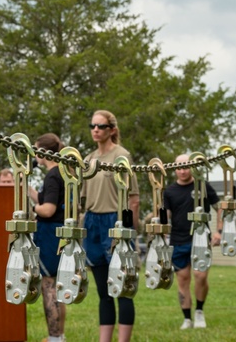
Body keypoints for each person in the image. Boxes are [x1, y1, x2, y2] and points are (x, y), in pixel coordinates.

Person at [80, 110, 139, 342]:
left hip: (116, 221)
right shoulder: (88, 159)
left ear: (112, 129)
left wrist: (131, 231)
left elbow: (133, 198)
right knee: (103, 291)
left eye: (101, 126)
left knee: (122, 289)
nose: (95, 130)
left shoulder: (121, 156)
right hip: (93, 222)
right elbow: (83, 198)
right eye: (92, 126)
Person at [163, 153, 221, 330]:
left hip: (201, 239)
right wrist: (159, 228)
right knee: (183, 280)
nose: (183, 171)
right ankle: (187, 319)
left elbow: (219, 208)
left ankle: (199, 311)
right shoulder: (169, 191)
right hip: (178, 240)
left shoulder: (203, 186)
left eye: (186, 167)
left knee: (200, 276)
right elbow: (166, 215)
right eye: (179, 168)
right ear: (175, 169)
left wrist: (219, 231)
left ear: (192, 167)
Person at [29, 133, 66, 342]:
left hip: (49, 233)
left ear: (43, 152)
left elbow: (48, 209)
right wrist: (28, 189)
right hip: (59, 231)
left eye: (36, 150)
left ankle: (54, 338)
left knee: (49, 285)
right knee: (57, 286)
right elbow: (47, 200)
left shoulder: (52, 176)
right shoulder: (62, 172)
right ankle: (60, 335)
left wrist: (32, 208)